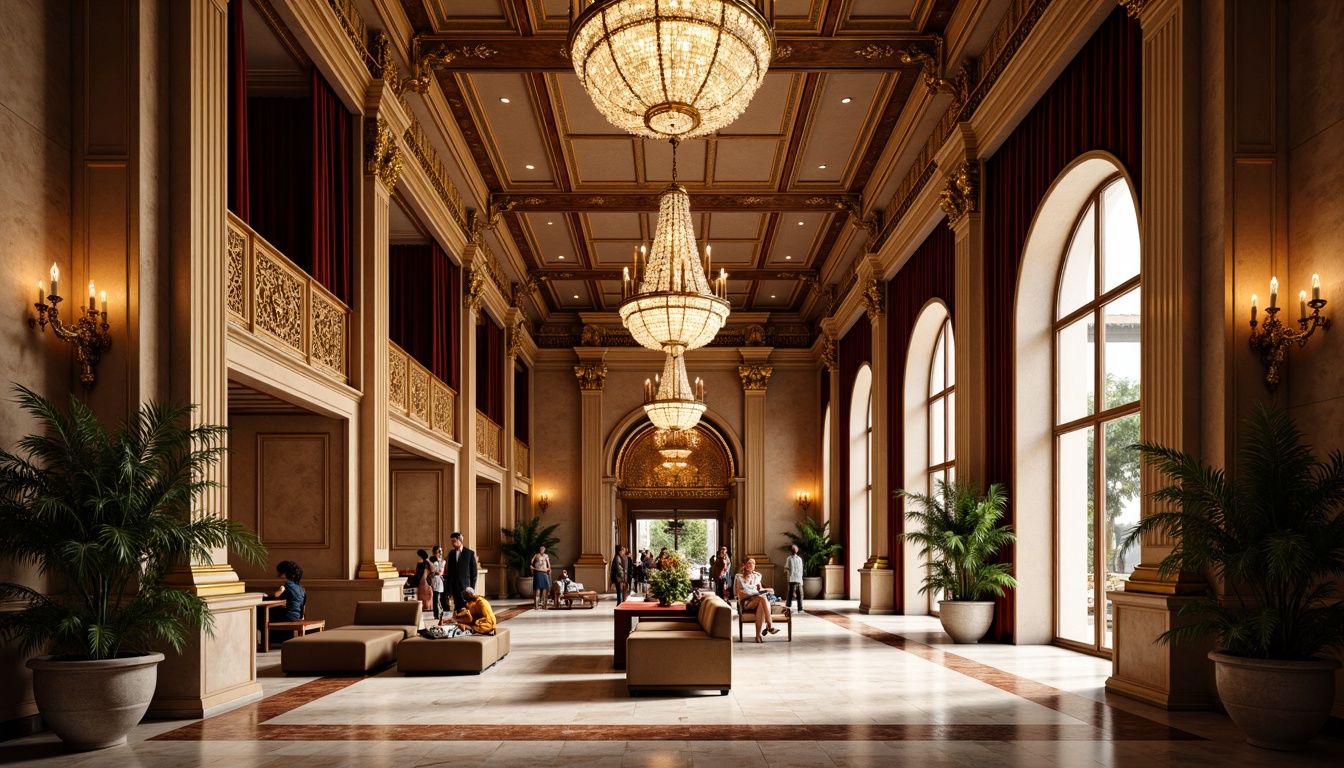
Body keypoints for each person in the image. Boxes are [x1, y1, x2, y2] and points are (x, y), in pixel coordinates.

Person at [734, 558, 778, 643]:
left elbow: (760, 589)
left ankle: (758, 636)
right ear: (745, 565)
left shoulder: (757, 576)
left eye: (753, 563)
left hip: (757, 600)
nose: (751, 565)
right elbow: (739, 594)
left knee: (762, 603)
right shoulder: (739, 577)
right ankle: (769, 625)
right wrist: (753, 594)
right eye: (749, 563)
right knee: (762, 598)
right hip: (746, 602)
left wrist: (769, 590)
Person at [444, 532, 478, 614]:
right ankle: (459, 624)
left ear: (460, 540)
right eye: (451, 541)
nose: (453, 543)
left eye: (454, 541)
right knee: (457, 609)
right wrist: (449, 590)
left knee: (467, 608)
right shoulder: (451, 554)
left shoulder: (469, 553)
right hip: (454, 586)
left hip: (465, 587)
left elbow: (474, 573)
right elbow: (449, 572)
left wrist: (472, 588)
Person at [784, 544, 805, 613]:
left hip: (798, 579)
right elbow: (787, 568)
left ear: (797, 550)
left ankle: (800, 608)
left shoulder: (799, 559)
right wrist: (788, 576)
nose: (794, 550)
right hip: (792, 579)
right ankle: (788, 607)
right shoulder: (789, 558)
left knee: (800, 594)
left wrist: (801, 579)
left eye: (795, 548)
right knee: (790, 594)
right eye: (793, 548)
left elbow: (801, 569)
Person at [531, 545, 552, 609]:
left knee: (545, 588)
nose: (542, 549)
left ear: (545, 549)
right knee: (537, 588)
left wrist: (549, 570)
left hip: (544, 572)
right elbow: (531, 562)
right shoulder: (536, 555)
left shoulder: (546, 556)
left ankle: (544, 604)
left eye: (543, 548)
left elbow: (548, 564)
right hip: (538, 572)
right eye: (541, 548)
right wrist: (534, 557)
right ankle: (536, 605)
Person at [428, 545, 447, 620]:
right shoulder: (431, 561)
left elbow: (441, 571)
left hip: (440, 580)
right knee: (435, 597)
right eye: (438, 552)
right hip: (434, 580)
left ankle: (442, 611)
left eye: (440, 551)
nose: (439, 553)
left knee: (441, 596)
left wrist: (437, 572)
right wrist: (435, 572)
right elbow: (432, 571)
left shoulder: (442, 561)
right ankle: (436, 614)